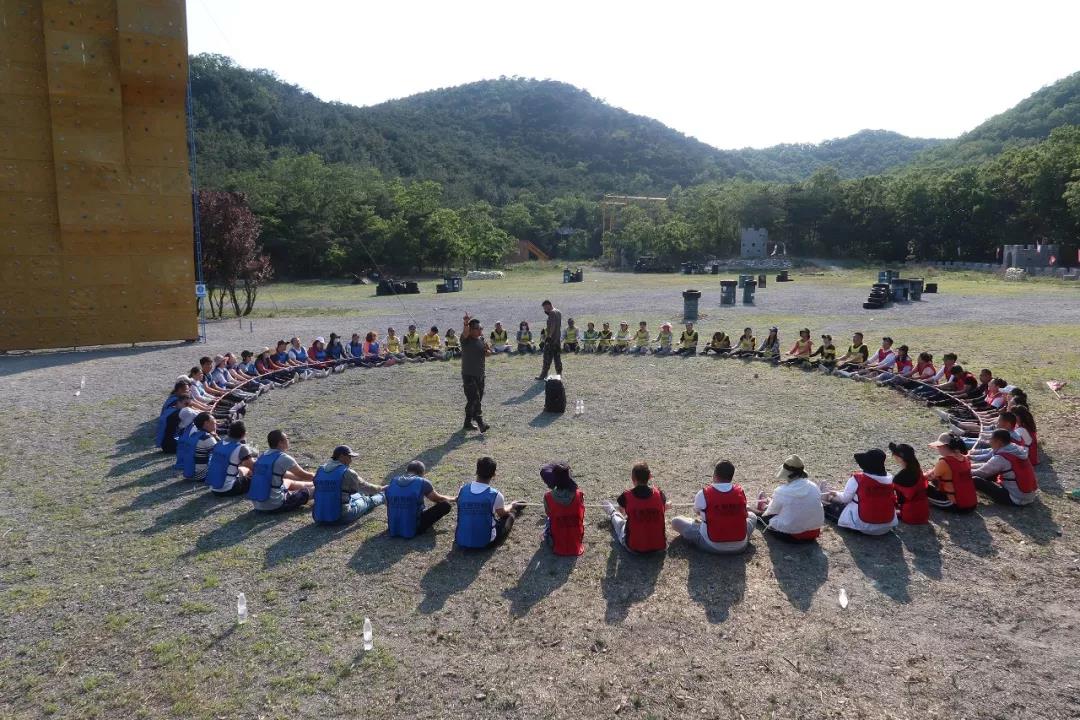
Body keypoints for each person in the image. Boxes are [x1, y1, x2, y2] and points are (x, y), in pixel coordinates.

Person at [671, 460, 756, 554]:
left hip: (711, 545)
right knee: (753, 516)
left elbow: (697, 511)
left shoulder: (704, 493)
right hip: (740, 545)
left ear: (714, 475)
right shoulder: (740, 491)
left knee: (676, 521)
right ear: (732, 476)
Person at [454, 456, 525, 549]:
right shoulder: (495, 494)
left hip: (461, 541)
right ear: (494, 474)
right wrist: (512, 505)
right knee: (510, 516)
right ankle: (515, 509)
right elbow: (502, 514)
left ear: (476, 471)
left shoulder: (462, 489)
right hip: (486, 543)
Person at [822, 449, 898, 535]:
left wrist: (835, 493)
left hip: (863, 525)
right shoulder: (890, 480)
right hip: (887, 525)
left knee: (833, 506)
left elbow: (845, 499)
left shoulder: (858, 479)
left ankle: (826, 499)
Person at [753, 455, 824, 542]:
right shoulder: (814, 486)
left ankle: (751, 508)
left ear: (787, 474)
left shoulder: (782, 491)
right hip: (813, 533)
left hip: (791, 535)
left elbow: (770, 512)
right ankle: (764, 504)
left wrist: (770, 504)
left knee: (764, 516)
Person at [602, 462, 669, 553]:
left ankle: (612, 512)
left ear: (633, 479)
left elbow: (622, 512)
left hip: (634, 548)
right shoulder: (659, 494)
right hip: (659, 548)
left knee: (620, 523)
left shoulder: (626, 496)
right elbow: (661, 508)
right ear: (650, 476)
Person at [311, 445, 387, 524]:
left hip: (318, 516)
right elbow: (366, 487)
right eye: (349, 457)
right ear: (342, 456)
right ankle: (383, 496)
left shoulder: (320, 470)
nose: (351, 461)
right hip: (341, 517)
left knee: (353, 495)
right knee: (366, 501)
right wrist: (381, 488)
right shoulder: (347, 472)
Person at [248, 429, 316, 512]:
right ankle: (315, 487)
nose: (288, 440)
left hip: (258, 504)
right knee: (316, 490)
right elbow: (305, 476)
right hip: (275, 505)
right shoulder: (283, 458)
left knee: (288, 481)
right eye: (287, 438)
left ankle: (312, 484)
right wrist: (320, 476)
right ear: (280, 443)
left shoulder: (262, 456)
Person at [385, 460, 454, 538]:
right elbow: (437, 498)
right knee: (445, 505)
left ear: (407, 470)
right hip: (414, 528)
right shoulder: (422, 482)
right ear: (422, 473)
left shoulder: (393, 481)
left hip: (393, 527)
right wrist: (453, 498)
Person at [971, 429, 1038, 506]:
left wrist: (965, 470)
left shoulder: (1001, 458)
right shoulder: (1015, 449)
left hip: (1015, 498)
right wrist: (970, 466)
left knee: (975, 480)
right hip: (1029, 494)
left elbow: (981, 473)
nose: (989, 442)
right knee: (992, 471)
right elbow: (988, 466)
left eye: (991, 439)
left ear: (999, 442)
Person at [541, 461, 586, 556]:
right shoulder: (579, 494)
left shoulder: (548, 497)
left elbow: (548, 514)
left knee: (548, 521)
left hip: (557, 545)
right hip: (576, 544)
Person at [925, 433, 978, 512]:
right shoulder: (965, 458)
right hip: (972, 504)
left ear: (945, 446)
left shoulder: (944, 462)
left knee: (922, 488)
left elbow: (928, 477)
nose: (938, 448)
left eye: (939, 446)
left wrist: (924, 473)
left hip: (955, 505)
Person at [205, 421, 257, 496]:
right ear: (244, 434)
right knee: (257, 477)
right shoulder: (241, 448)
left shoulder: (219, 444)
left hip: (213, 487)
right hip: (229, 489)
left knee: (241, 468)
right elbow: (252, 467)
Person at [461, 313, 490, 433]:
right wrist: (466, 323)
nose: (480, 330)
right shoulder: (466, 339)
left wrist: (487, 351)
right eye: (477, 328)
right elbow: (465, 333)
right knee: (475, 399)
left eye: (481, 328)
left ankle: (467, 422)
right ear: (471, 330)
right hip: (469, 374)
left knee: (475, 399)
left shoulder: (481, 339)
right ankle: (480, 422)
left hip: (480, 374)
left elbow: (486, 353)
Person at [888, 442, 929, 525]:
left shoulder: (899, 477)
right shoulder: (918, 469)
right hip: (924, 513)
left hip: (910, 515)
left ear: (900, 458)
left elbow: (900, 500)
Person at [538, 299, 563, 380]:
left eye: (545, 308)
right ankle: (559, 374)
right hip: (557, 339)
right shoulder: (558, 312)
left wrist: (549, 337)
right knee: (557, 358)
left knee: (547, 358)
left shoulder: (552, 312)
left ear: (548, 305)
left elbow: (553, 325)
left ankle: (543, 375)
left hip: (551, 340)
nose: (545, 310)